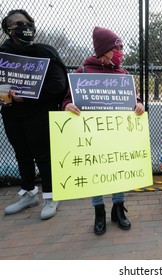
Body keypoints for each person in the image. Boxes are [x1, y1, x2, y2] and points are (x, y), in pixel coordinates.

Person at [62, 26, 145, 235]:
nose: (120, 52)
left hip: (117, 135)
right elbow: (66, 99)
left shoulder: (123, 73)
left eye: (121, 48)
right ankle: (99, 211)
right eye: (116, 48)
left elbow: (135, 99)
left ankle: (118, 209)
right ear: (104, 49)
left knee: (118, 171)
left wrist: (139, 104)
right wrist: (67, 106)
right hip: (92, 135)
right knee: (95, 173)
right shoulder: (82, 72)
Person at [1, 10, 68, 220]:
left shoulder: (45, 52)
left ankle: (51, 195)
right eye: (19, 23)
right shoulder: (2, 55)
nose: (25, 26)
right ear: (8, 30)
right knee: (22, 155)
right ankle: (29, 193)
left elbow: (58, 85)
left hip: (40, 114)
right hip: (12, 114)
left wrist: (26, 98)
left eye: (28, 22)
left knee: (44, 156)